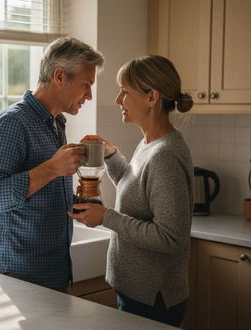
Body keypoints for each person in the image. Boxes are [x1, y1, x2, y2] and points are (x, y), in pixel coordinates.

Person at [69, 55, 194, 326]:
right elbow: (136, 187)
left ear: (152, 97)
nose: (117, 100)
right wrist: (112, 155)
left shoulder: (165, 156)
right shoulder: (150, 143)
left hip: (153, 299)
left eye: (125, 92)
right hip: (139, 293)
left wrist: (106, 217)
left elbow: (171, 239)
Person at [0, 37, 105, 291]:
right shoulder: (12, 123)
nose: (89, 95)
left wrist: (79, 203)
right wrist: (52, 168)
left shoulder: (56, 124)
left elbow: (40, 193)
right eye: (86, 85)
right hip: (20, 279)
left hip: (55, 273)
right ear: (60, 76)